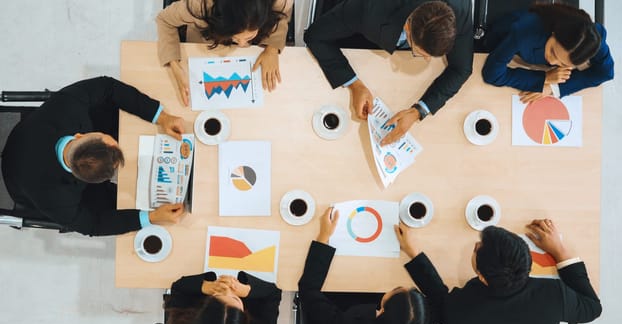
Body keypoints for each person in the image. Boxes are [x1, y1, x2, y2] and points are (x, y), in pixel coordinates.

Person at [1, 77, 186, 236]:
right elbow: (93, 225)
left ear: (79, 136)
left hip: (29, 134)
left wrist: (161, 117)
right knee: (117, 204)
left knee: (109, 111)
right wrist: (151, 217)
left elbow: (107, 86)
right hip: (19, 180)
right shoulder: (55, 198)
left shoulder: (66, 106)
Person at [304, 0, 473, 145]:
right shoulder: (367, 10)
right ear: (407, 27)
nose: (427, 61)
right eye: (420, 54)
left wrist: (418, 111)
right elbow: (315, 36)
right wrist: (354, 84)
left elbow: (461, 68)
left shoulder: (460, 10)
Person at [297, 207, 445, 324]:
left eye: (397, 289)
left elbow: (308, 291)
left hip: (346, 310)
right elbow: (440, 295)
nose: (406, 286)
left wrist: (323, 237)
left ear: (381, 310)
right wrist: (413, 252)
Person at [441, 220, 602, 324]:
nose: (476, 246)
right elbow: (592, 308)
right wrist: (560, 251)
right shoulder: (552, 296)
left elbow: (440, 301)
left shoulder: (461, 311)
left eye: (477, 249)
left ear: (483, 278)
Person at [156, 0, 293, 104]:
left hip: (254, 50)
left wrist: (272, 48)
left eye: (248, 37)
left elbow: (282, 15)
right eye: (235, 37)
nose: (241, 45)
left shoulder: (279, 1)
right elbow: (164, 20)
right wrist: (174, 65)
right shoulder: (200, 5)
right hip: (206, 43)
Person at [481, 3, 614, 104]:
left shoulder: (595, 38)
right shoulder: (524, 31)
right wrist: (543, 78)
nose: (552, 62)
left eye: (563, 63)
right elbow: (492, 74)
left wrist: (554, 88)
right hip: (501, 40)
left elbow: (605, 73)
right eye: (553, 52)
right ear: (554, 33)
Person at [165, 270, 282, 324]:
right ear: (244, 320)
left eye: (217, 296)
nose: (228, 290)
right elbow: (273, 294)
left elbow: (178, 289)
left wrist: (207, 287)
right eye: (235, 298)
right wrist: (245, 290)